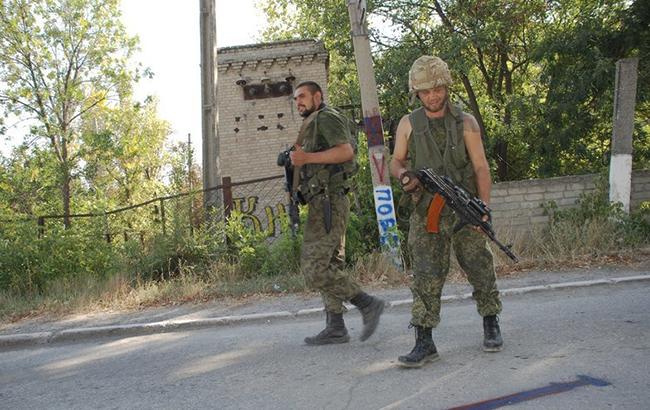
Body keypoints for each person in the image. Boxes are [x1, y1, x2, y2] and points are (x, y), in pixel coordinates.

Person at [389, 56, 503, 368]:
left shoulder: (465, 123)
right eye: (425, 92)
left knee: (479, 265)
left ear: (446, 87)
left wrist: (483, 209)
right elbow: (395, 161)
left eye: (437, 89)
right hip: (427, 211)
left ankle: (491, 322)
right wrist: (404, 177)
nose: (432, 96)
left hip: (464, 208)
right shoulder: (408, 124)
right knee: (425, 273)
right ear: (417, 93)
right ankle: (424, 342)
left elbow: (481, 167)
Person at [289, 80, 385, 345]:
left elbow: (346, 151)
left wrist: (306, 159)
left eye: (303, 97)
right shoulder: (314, 122)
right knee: (330, 264)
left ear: (318, 97)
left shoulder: (327, 117)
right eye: (296, 99)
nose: (299, 102)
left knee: (314, 268)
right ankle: (336, 326)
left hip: (329, 203)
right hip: (324, 201)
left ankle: (367, 304)